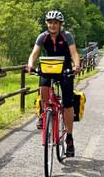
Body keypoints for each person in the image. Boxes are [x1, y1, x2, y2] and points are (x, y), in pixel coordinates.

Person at [27, 10, 81, 157]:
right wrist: (30, 65)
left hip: (65, 70)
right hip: (48, 68)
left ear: (60, 24)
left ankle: (69, 138)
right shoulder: (42, 37)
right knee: (43, 87)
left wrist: (76, 65)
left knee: (68, 104)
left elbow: (74, 53)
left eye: (55, 23)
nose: (52, 25)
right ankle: (44, 113)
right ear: (47, 24)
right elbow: (34, 53)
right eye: (50, 22)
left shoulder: (67, 36)